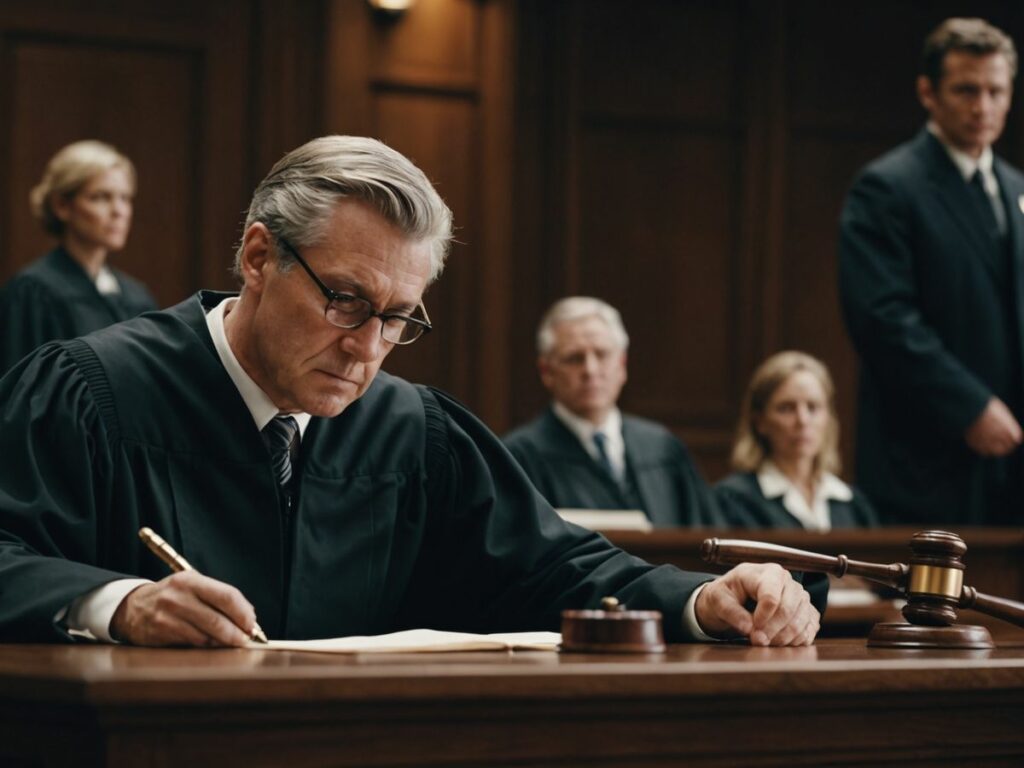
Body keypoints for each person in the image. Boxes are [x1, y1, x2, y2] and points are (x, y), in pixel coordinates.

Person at [0, 136, 820, 648]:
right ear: (257, 257)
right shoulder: (94, 391)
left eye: (397, 318)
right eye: (344, 299)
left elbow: (553, 566)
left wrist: (703, 600)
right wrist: (117, 603)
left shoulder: (410, 431)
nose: (366, 349)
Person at [840, 17, 1024, 526]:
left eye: (995, 90)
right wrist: (969, 407)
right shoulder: (888, 187)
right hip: (928, 463)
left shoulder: (1016, 188)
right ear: (928, 91)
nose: (982, 106)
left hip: (1013, 469)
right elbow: (883, 319)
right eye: (966, 89)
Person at [503, 297, 720, 527]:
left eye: (602, 354)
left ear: (622, 365)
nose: (590, 370)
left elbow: (705, 537)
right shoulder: (519, 457)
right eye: (574, 359)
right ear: (546, 371)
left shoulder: (662, 448)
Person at [0, 140, 157, 374]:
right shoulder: (33, 291)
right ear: (62, 205)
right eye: (101, 197)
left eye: (125, 198)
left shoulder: (136, 296)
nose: (119, 211)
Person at [715, 351, 878, 530]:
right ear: (760, 421)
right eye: (786, 408)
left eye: (813, 407)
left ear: (828, 418)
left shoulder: (852, 504)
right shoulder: (733, 500)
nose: (802, 420)